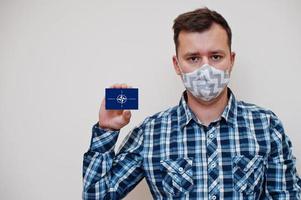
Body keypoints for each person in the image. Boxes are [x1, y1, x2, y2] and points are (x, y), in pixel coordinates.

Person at [82, 7, 301, 200]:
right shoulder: (151, 133)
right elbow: (97, 195)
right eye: (193, 58)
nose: (206, 69)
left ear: (231, 60)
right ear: (177, 65)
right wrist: (107, 131)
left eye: (216, 56)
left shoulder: (266, 125)